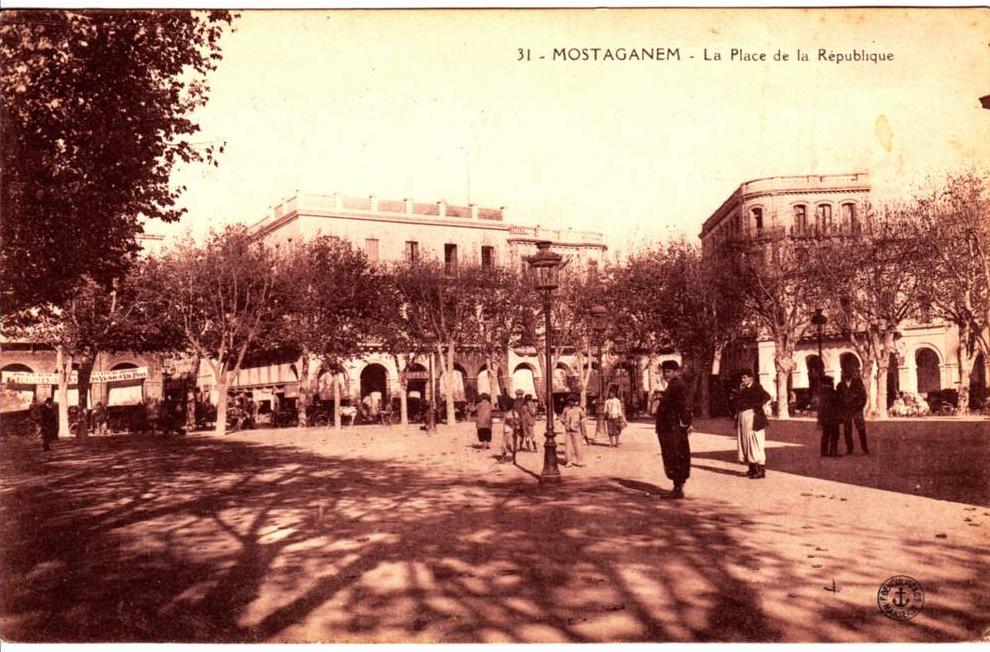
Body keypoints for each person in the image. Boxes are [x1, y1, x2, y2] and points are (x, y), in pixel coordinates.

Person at [655, 361, 693, 498]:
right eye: (664, 372)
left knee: (674, 455)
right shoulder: (674, 385)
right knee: (674, 455)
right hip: (669, 426)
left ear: (676, 371)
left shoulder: (677, 385)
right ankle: (677, 487)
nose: (665, 375)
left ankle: (677, 488)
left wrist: (686, 423)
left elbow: (683, 406)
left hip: (672, 427)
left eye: (668, 372)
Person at [733, 369, 771, 479]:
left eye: (745, 377)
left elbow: (767, 397)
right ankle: (752, 468)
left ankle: (760, 470)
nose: (743, 380)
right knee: (746, 442)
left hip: (753, 418)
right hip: (743, 418)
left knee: (755, 442)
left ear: (751, 378)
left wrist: (755, 406)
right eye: (742, 378)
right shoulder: (743, 388)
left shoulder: (756, 387)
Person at [837, 371, 869, 455]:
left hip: (856, 410)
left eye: (847, 373)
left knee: (861, 429)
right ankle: (849, 449)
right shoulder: (840, 385)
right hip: (846, 410)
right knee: (847, 430)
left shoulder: (858, 384)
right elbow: (838, 398)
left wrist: (859, 405)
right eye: (844, 374)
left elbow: (863, 397)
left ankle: (865, 448)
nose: (845, 375)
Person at [817, 376, 841, 457]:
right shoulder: (832, 392)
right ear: (830, 383)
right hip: (833, 417)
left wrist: (819, 419)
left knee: (825, 434)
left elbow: (820, 407)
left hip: (824, 417)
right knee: (835, 435)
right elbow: (838, 404)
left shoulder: (821, 393)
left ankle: (823, 452)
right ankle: (833, 452)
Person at [559, 395, 586, 467]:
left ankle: (579, 461)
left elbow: (583, 417)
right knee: (568, 446)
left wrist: (579, 423)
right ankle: (569, 461)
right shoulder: (566, 409)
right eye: (569, 401)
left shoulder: (579, 409)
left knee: (578, 446)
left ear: (575, 402)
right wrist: (564, 422)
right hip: (568, 430)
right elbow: (562, 418)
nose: (570, 402)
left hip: (576, 430)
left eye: (572, 401)